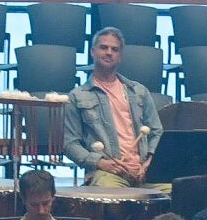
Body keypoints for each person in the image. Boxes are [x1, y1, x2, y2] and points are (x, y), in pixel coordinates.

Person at [62, 26, 162, 188]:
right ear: (93, 52)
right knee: (110, 195)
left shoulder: (139, 91)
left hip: (145, 172)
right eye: (103, 47)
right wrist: (101, 163)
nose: (109, 52)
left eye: (114, 49)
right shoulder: (77, 96)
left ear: (120, 56)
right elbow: (70, 144)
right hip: (107, 173)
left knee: (178, 191)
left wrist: (150, 162)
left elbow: (156, 131)